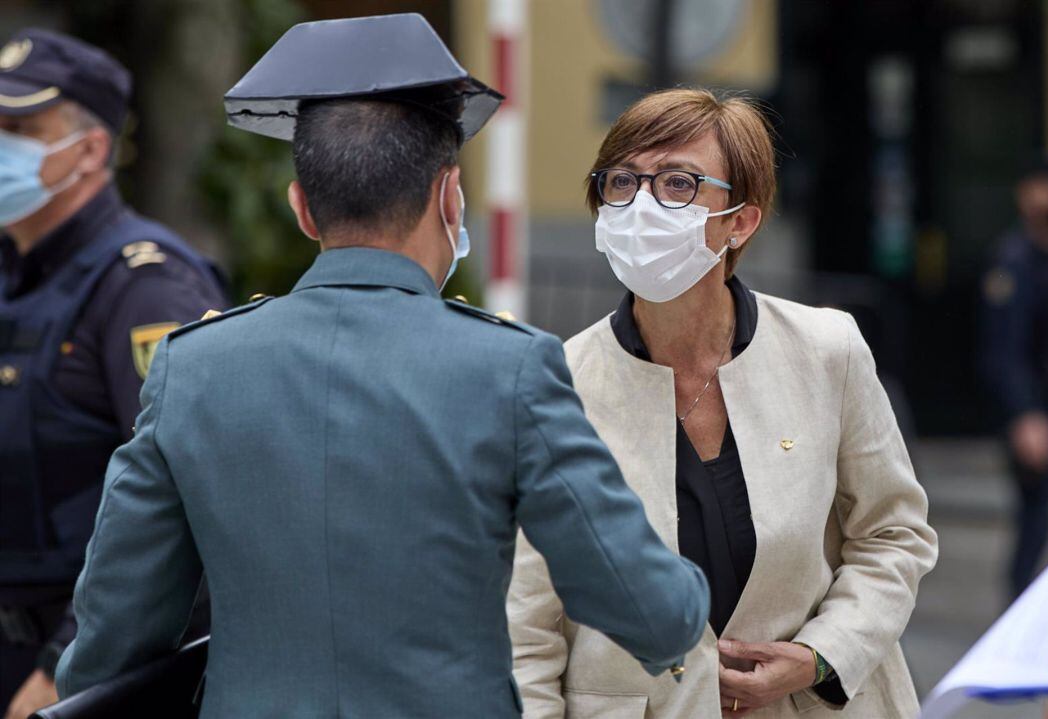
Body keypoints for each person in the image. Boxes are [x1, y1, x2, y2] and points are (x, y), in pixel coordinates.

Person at [54, 15, 710, 718]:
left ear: (302, 209)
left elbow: (108, 645)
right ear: (449, 196)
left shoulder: (193, 367)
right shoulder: (509, 367)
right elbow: (652, 611)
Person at [508, 88, 939, 718]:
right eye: (622, 181)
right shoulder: (554, 383)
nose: (643, 205)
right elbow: (527, 620)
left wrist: (822, 654)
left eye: (678, 184)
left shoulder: (827, 350)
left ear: (741, 219)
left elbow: (893, 534)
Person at [0, 28, 226, 718]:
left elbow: (188, 495)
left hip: (88, 674)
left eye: (17, 127)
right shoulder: (14, 273)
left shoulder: (147, 288)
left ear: (90, 148)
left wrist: (64, 664)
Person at [982, 158, 1048, 600]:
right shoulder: (1014, 262)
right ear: (1028, 195)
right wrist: (1025, 415)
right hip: (1040, 411)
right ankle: (1016, 633)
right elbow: (1004, 350)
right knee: (1036, 525)